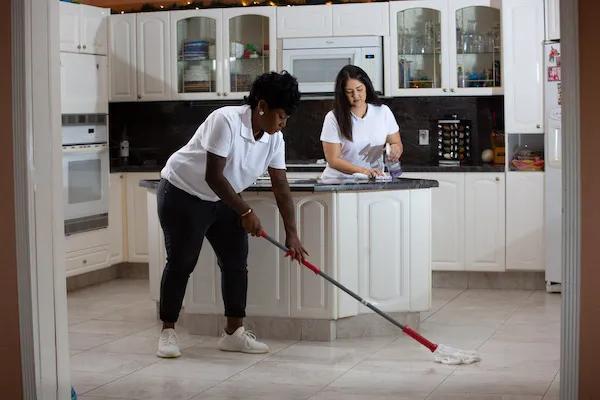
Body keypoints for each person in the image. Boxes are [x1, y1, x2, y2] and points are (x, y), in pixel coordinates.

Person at [156, 71, 308, 358]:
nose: (283, 123)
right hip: (182, 192)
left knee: (236, 262)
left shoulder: (274, 139)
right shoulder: (225, 120)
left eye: (287, 118)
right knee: (181, 262)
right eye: (280, 116)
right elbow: (214, 175)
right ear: (261, 107)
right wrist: (245, 211)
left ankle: (233, 333)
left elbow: (281, 186)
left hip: (222, 197)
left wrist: (292, 234)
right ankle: (167, 332)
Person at [319, 65, 404, 180]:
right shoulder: (333, 118)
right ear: (343, 94)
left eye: (359, 89)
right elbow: (333, 160)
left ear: (367, 87)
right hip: (338, 182)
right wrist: (364, 171)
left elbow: (396, 143)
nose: (356, 96)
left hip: (373, 180)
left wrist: (395, 149)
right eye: (350, 92)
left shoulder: (383, 112)